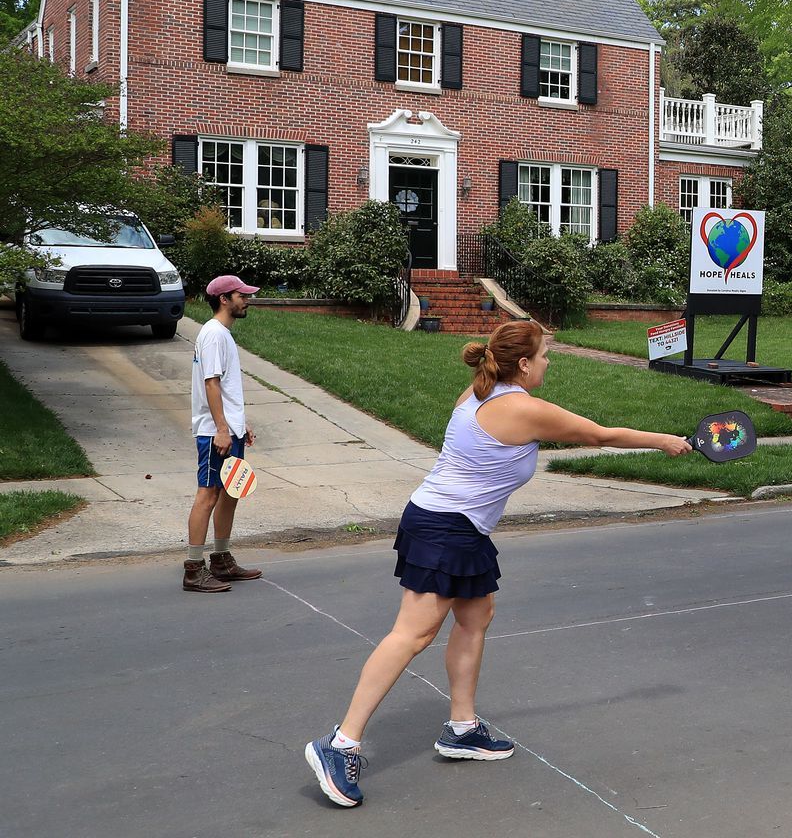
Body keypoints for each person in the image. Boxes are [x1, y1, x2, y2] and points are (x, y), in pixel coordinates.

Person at [305, 320, 694, 809]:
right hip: (445, 527)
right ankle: (340, 744)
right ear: (524, 364)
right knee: (413, 634)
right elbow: (598, 436)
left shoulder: (480, 390)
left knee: (475, 617)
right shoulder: (521, 408)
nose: (551, 362)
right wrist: (664, 440)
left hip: (456, 526)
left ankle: (462, 728)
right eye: (546, 355)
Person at [185, 274, 262, 593]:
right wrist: (220, 428)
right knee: (209, 494)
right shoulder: (214, 334)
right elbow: (211, 383)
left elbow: (225, 386)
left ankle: (221, 559)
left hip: (229, 430)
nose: (247, 300)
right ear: (224, 300)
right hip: (214, 432)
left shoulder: (223, 335)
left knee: (230, 491)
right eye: (240, 295)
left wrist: (238, 423)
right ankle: (193, 569)